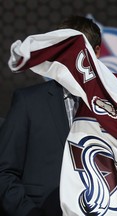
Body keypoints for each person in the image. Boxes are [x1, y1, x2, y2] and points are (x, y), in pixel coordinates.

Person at [0, 16, 101, 216]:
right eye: (66, 51)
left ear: (97, 52)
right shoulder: (28, 102)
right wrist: (30, 212)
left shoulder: (115, 108)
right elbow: (4, 172)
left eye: (81, 53)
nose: (75, 61)